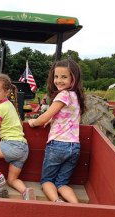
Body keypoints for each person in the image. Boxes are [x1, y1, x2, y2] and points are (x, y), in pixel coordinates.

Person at [28, 58, 85, 203]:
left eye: (64, 77)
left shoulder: (63, 95)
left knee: (47, 180)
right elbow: (67, 118)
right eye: (56, 76)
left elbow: (44, 116)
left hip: (58, 146)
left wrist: (34, 122)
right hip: (74, 146)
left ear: (74, 78)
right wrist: (51, 121)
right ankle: (75, 205)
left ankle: (57, 202)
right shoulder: (76, 96)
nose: (58, 80)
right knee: (62, 183)